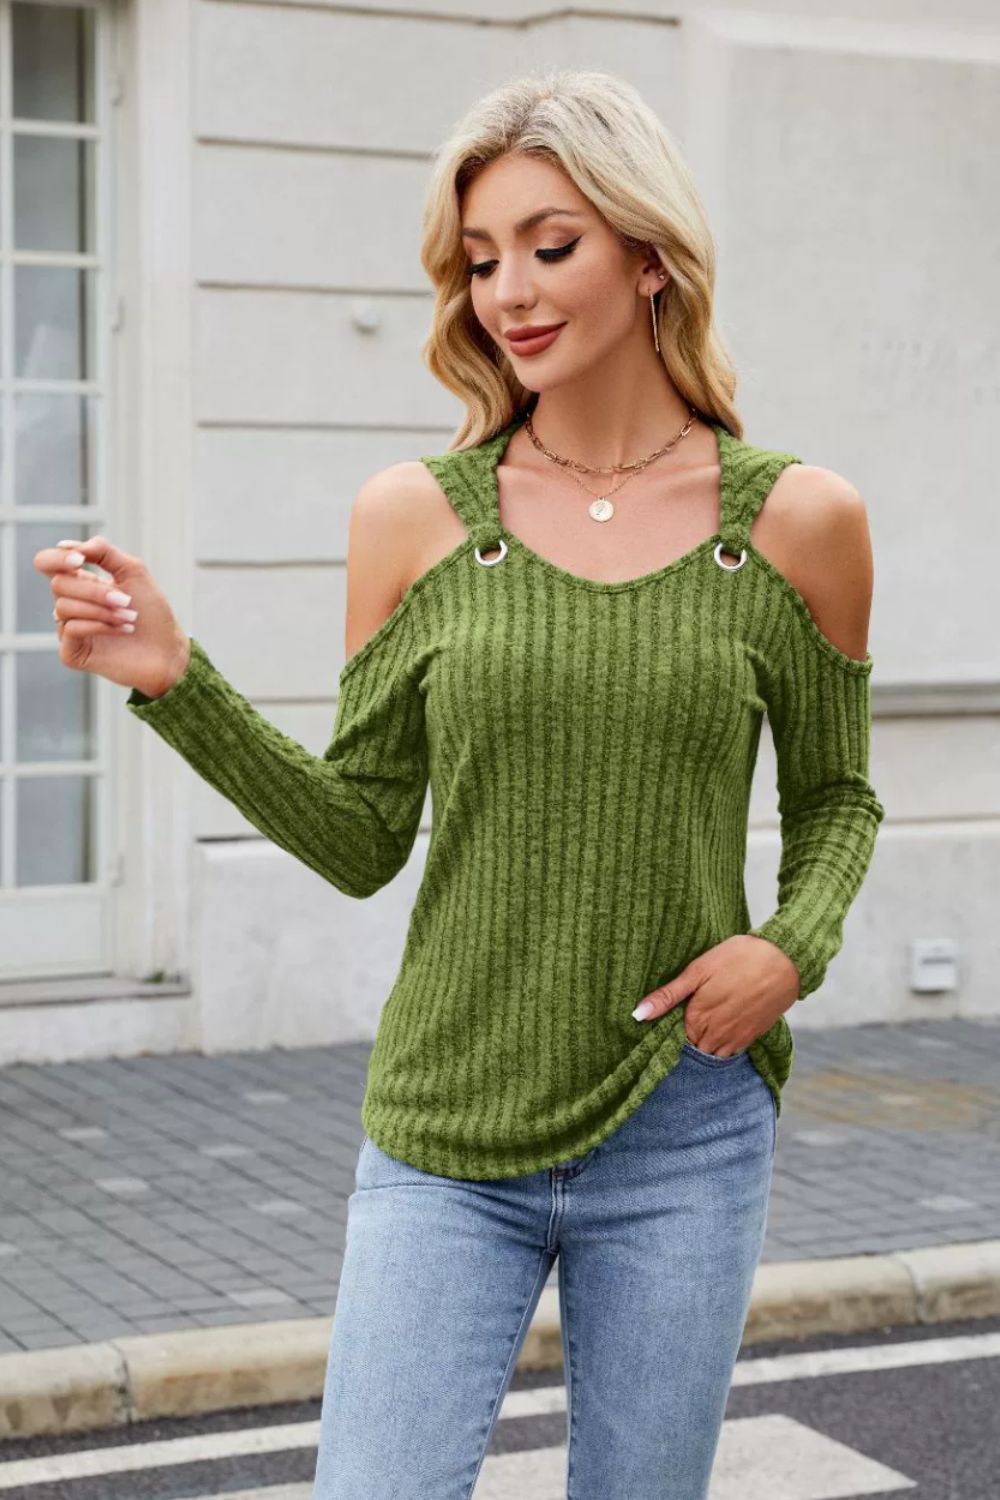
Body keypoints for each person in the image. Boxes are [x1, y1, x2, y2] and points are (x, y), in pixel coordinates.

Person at [35, 67, 884, 1500]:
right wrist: (178, 683)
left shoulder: (799, 521)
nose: (510, 294)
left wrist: (789, 949)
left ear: (650, 254)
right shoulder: (415, 518)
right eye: (482, 261)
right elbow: (362, 834)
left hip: (683, 1121)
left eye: (550, 246)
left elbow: (838, 800)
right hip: (446, 1127)